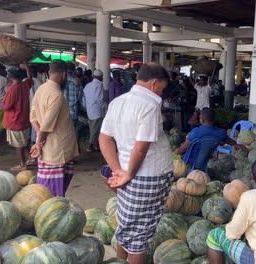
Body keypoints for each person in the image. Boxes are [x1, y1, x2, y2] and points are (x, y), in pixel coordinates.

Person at [99, 63, 173, 264]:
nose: (161, 92)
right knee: (140, 234)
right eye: (161, 88)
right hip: (149, 176)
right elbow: (141, 147)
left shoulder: (118, 102)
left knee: (126, 224)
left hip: (126, 172)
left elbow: (104, 138)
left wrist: (118, 170)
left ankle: (119, 261)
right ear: (154, 83)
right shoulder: (150, 105)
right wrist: (129, 173)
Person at [29, 60, 79, 197]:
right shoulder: (56, 95)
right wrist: (38, 143)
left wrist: (39, 138)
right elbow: (46, 125)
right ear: (64, 74)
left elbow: (32, 117)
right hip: (57, 150)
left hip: (48, 147)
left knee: (45, 190)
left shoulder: (41, 89)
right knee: (53, 196)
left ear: (49, 73)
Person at [174, 108, 245, 165]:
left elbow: (183, 149)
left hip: (189, 161)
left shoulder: (195, 132)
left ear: (202, 120)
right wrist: (238, 145)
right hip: (206, 162)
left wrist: (175, 151)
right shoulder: (221, 133)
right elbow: (232, 142)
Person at [2, 64, 34, 171]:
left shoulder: (13, 88)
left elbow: (6, 106)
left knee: (19, 144)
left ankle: (22, 164)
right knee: (23, 141)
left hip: (15, 120)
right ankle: (30, 157)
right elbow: (30, 79)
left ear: (9, 76)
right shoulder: (24, 84)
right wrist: (27, 68)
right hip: (23, 119)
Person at [82, 69, 106, 152]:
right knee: (95, 130)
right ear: (100, 77)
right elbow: (100, 99)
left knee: (93, 128)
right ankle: (90, 146)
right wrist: (105, 107)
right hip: (97, 111)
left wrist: (85, 107)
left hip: (90, 111)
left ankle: (96, 145)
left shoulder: (88, 85)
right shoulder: (99, 85)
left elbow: (83, 98)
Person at [29, 65, 43, 145]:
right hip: (37, 106)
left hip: (27, 106)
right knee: (36, 124)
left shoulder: (25, 81)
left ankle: (30, 141)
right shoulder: (39, 82)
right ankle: (34, 140)